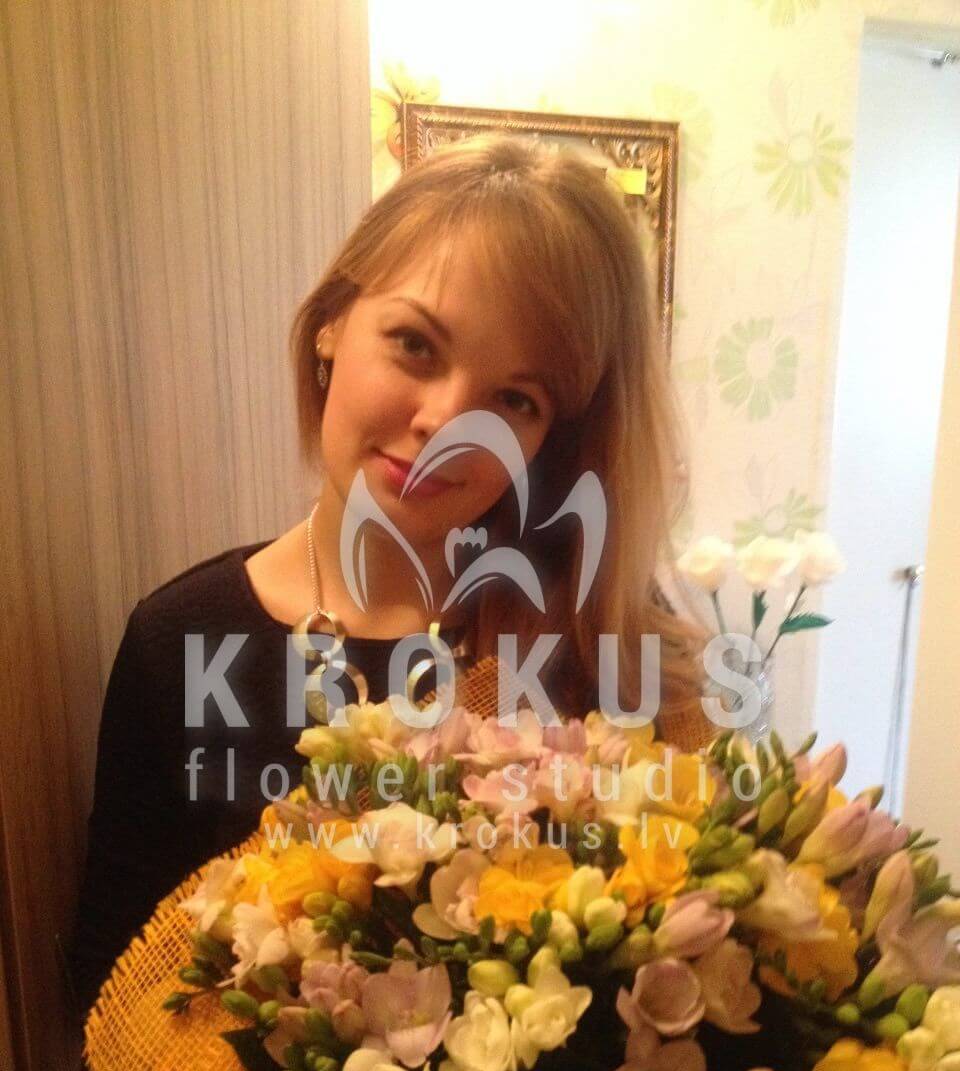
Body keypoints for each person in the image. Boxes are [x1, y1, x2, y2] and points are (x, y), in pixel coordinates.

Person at [68, 130, 707, 1018]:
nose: (448, 421)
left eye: (515, 399)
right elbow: (111, 991)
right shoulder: (180, 640)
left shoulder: (609, 642)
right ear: (332, 323)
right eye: (416, 345)